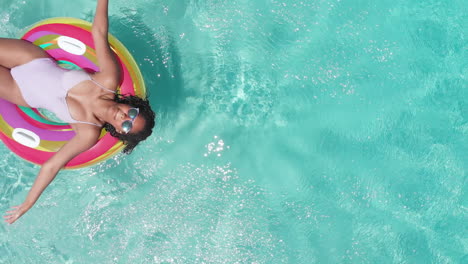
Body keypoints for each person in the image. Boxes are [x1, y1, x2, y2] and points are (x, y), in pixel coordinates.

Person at [2, 0, 155, 224]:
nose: (124, 118)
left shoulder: (88, 133)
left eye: (127, 126)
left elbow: (53, 164)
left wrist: (28, 203)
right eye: (132, 114)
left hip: (20, 92)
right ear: (131, 105)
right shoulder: (109, 80)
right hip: (29, 60)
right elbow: (99, 32)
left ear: (119, 132)